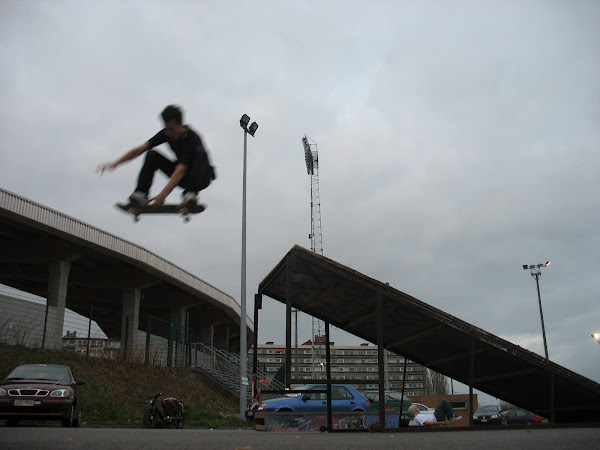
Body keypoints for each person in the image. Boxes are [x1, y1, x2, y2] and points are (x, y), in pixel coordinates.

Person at [98, 105, 215, 208]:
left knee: (200, 152)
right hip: (182, 176)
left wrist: (162, 196)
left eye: (172, 129)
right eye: (166, 128)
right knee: (152, 154)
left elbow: (180, 170)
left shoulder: (192, 139)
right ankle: (141, 194)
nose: (169, 133)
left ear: (181, 124)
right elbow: (140, 149)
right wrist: (116, 163)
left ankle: (191, 194)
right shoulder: (166, 134)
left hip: (201, 178)